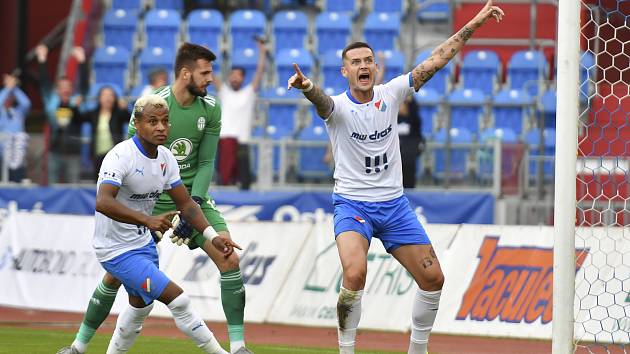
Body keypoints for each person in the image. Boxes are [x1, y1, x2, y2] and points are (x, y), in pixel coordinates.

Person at [286, 1, 504, 353]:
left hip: (394, 206)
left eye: (368, 60)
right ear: (345, 71)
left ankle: (417, 350)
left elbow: (436, 59)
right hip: (353, 205)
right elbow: (321, 101)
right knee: (355, 275)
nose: (363, 66)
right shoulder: (338, 107)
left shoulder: (391, 94)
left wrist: (476, 21)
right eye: (356, 62)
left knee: (433, 279)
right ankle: (346, 350)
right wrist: (308, 85)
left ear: (375, 66)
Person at [57, 43, 253, 354]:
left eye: (211, 73)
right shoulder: (153, 105)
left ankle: (239, 347)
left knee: (229, 257)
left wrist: (196, 208)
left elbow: (205, 163)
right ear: (185, 73)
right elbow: (136, 162)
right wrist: (145, 214)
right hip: (152, 202)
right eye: (205, 73)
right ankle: (78, 346)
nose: (211, 79)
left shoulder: (211, 108)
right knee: (115, 276)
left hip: (192, 198)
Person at [96, 94, 238, 354]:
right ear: (136, 123)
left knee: (140, 307)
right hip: (116, 248)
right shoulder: (120, 156)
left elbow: (187, 205)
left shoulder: (165, 157)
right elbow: (103, 202)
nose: (161, 127)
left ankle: (80, 348)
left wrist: (212, 236)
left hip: (142, 245)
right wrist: (148, 220)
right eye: (152, 121)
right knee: (180, 300)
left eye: (164, 121)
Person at [214, 38, 267, 190]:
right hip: (224, 139)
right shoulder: (224, 92)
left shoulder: (248, 92)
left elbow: (260, 71)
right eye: (232, 75)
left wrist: (262, 52)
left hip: (242, 139)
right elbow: (210, 74)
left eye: (238, 75)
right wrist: (205, 56)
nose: (234, 78)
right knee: (222, 179)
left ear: (243, 78)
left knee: (244, 181)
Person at [36, 44, 89, 184]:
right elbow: (44, 84)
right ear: (58, 90)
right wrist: (42, 60)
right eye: (62, 87)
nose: (65, 90)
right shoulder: (52, 103)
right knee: (52, 186)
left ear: (71, 90)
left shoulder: (76, 104)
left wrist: (82, 62)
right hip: (54, 152)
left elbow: (84, 88)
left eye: (68, 87)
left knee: (73, 187)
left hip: (73, 154)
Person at [82, 85, 130, 180]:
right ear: (99, 98)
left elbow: (130, 119)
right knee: (98, 183)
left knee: (115, 181)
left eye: (111, 95)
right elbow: (78, 118)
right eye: (105, 95)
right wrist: (76, 106)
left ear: (115, 98)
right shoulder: (94, 114)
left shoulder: (118, 113)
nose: (108, 98)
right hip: (97, 155)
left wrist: (125, 108)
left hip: (116, 156)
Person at [0, 73, 31, 183]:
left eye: (11, 95)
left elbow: (27, 103)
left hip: (17, 155)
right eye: (8, 95)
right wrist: (7, 88)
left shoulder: (18, 111)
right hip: (2, 154)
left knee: (17, 183)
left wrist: (15, 88)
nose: (9, 97)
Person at [397, 97, 425, 189]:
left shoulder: (413, 122)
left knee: (409, 183)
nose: (401, 107)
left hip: (408, 159)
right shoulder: (392, 120)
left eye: (403, 104)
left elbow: (417, 121)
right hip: (394, 161)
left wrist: (411, 101)